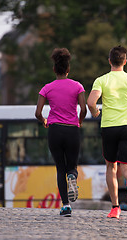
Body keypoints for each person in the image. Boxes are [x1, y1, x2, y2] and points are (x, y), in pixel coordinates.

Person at [87, 46, 127, 219]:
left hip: (109, 127)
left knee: (111, 166)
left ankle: (115, 208)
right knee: (126, 167)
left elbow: (91, 102)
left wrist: (94, 112)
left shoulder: (101, 80)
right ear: (125, 61)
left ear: (109, 61)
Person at [35, 48, 87, 217]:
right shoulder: (77, 86)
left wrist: (44, 121)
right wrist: (78, 121)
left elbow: (37, 112)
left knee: (60, 168)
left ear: (54, 69)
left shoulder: (47, 88)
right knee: (72, 166)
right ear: (68, 69)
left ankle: (66, 206)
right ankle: (72, 176)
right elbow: (84, 109)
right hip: (72, 130)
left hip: (55, 131)